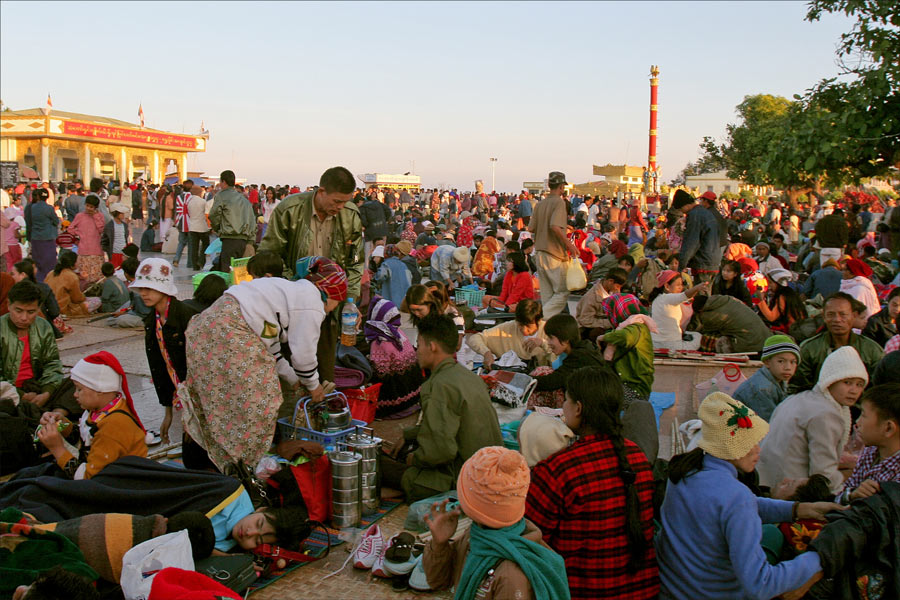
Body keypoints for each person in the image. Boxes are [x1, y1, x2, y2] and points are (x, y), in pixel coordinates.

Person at [656, 393, 841, 599]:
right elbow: (760, 584)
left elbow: (728, 507)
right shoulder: (735, 496)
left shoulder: (684, 473)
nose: (757, 450)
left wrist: (797, 509)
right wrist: (819, 557)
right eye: (750, 444)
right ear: (732, 450)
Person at [184, 257, 346, 472]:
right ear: (331, 293)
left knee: (221, 401)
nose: (334, 307)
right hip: (229, 330)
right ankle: (244, 467)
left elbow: (270, 348)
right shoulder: (312, 301)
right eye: (338, 301)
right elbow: (303, 355)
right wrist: (314, 386)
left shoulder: (286, 292)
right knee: (261, 399)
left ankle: (216, 460)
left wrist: (295, 379)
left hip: (207, 327)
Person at [526, 367, 659, 599]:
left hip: (585, 592)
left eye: (566, 400)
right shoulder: (637, 456)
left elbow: (530, 539)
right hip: (642, 591)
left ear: (578, 408)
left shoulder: (558, 470)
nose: (563, 407)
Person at [258, 167, 363, 384]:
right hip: (291, 304)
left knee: (324, 367)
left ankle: (319, 408)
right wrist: (297, 290)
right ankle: (292, 411)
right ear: (321, 191)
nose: (340, 207)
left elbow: (355, 263)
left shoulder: (349, 215)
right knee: (291, 363)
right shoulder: (290, 210)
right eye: (336, 202)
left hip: (329, 304)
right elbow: (270, 256)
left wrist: (350, 301)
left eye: (345, 202)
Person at [382, 314, 503, 502]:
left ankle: (403, 489)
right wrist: (409, 434)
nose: (417, 351)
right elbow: (452, 424)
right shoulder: (466, 375)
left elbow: (441, 451)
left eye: (419, 345)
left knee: (379, 466)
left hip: (462, 481)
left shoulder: (438, 385)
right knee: (406, 449)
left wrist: (414, 459)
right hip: (488, 471)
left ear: (432, 346)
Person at [421, 447, 570, 599]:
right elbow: (438, 582)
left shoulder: (509, 574)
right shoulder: (476, 536)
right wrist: (439, 544)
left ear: (473, 507)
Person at [758, 346, 869, 494]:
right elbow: (823, 473)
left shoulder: (798, 398)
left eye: (859, 385)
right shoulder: (826, 413)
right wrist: (844, 495)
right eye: (847, 383)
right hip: (790, 490)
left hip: (763, 481)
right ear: (830, 381)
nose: (854, 390)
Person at [36, 352, 148, 480]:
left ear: (99, 390)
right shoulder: (100, 411)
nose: (74, 395)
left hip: (120, 486)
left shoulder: (113, 425)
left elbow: (88, 479)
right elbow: (89, 439)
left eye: (79, 389)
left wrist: (57, 448)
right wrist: (62, 424)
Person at [130, 258, 199, 447]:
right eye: (141, 289)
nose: (143, 293)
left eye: (149, 288)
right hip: (180, 393)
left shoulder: (187, 316)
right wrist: (167, 413)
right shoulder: (152, 321)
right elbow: (159, 368)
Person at [596, 294, 659, 462]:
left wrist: (603, 337)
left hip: (634, 386)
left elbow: (623, 337)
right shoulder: (635, 324)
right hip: (634, 382)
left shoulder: (634, 328)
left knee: (601, 401)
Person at [791, 292, 883, 393]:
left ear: (854, 316)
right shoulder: (809, 348)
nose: (837, 320)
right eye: (831, 314)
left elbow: (879, 390)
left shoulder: (871, 349)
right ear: (824, 317)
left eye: (843, 314)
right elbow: (798, 387)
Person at [1, 280, 63, 404]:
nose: (24, 318)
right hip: (7, 390)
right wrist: (21, 395)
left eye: (31, 312)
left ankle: (56, 414)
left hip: (37, 386)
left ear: (38, 309)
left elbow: (52, 363)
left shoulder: (43, 326)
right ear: (9, 305)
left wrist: (46, 392)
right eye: (18, 311)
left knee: (77, 384)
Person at [529, 172, 578, 318]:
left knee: (548, 297)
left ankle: (544, 331)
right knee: (562, 292)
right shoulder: (559, 202)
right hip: (554, 253)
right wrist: (570, 245)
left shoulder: (540, 204)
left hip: (540, 252)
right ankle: (539, 317)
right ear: (562, 187)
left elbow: (531, 228)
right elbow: (555, 226)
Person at [531, 314, 609, 401]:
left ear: (565, 339)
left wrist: (521, 380)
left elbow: (553, 381)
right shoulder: (581, 348)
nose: (548, 342)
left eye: (551, 338)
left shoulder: (580, 357)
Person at [467, 299, 554, 369]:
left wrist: (543, 344)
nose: (524, 330)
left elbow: (558, 358)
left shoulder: (549, 330)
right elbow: (475, 338)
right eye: (520, 325)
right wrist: (486, 353)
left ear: (538, 321)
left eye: (528, 326)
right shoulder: (508, 327)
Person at [733, 335, 800, 421]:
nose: (788, 367)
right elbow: (770, 424)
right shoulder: (762, 389)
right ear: (767, 362)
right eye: (781, 361)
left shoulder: (780, 380)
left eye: (793, 362)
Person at [209, 170, 255, 273]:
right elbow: (252, 220)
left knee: (227, 271)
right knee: (239, 272)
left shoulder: (222, 196)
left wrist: (217, 228)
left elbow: (213, 215)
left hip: (229, 239)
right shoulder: (243, 199)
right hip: (243, 240)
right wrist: (251, 240)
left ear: (224, 182)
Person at [649, 270, 709, 350]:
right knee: (698, 337)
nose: (681, 288)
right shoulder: (668, 298)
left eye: (681, 285)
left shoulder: (657, 299)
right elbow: (685, 295)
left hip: (654, 342)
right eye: (678, 285)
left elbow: (686, 297)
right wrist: (697, 288)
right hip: (671, 345)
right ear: (667, 286)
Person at [671, 190, 719, 284]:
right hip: (713, 260)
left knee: (701, 295)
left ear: (686, 205)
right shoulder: (705, 212)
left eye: (681, 209)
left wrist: (681, 266)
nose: (682, 212)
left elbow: (691, 243)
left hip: (703, 263)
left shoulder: (694, 216)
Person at [575, 267, 627, 340]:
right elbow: (585, 320)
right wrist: (609, 323)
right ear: (610, 281)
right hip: (589, 329)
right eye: (617, 286)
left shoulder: (612, 290)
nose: (618, 289)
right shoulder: (591, 297)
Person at [44, 251, 99, 316]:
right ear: (72, 263)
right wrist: (83, 297)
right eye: (77, 261)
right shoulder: (71, 276)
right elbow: (77, 299)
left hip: (48, 308)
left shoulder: (51, 273)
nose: (79, 263)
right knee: (97, 300)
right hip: (64, 309)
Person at [24, 188, 59, 282]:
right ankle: (49, 281)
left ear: (38, 196)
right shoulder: (49, 208)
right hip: (47, 237)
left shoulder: (32, 208)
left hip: (36, 237)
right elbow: (56, 221)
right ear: (47, 197)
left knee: (38, 261)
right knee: (49, 262)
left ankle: (38, 280)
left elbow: (29, 222)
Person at [374, 241, 415, 306]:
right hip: (403, 301)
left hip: (390, 301)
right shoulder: (404, 264)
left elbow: (380, 276)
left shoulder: (386, 264)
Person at [186, 181, 210, 271]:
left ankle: (194, 265)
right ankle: (201, 260)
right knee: (205, 245)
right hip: (202, 227)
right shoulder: (203, 202)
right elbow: (206, 214)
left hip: (192, 227)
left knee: (194, 247)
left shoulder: (189, 202)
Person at [100, 203, 130, 268]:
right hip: (114, 254)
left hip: (123, 254)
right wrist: (108, 251)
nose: (123, 215)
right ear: (116, 213)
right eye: (121, 213)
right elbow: (104, 240)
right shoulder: (109, 226)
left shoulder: (125, 225)